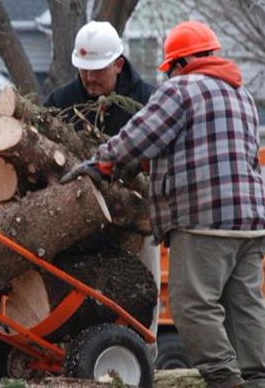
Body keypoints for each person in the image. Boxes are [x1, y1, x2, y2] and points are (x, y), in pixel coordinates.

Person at [73, 20, 265, 388]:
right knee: (246, 307)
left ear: (178, 63)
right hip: (251, 220)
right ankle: (257, 378)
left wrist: (101, 163)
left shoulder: (180, 89)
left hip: (204, 220)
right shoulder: (240, 95)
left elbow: (141, 134)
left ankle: (226, 380)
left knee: (193, 307)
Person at [45, 20, 161, 362]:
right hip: (78, 216)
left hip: (137, 213)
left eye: (97, 71)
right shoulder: (62, 102)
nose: (89, 79)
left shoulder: (147, 101)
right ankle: (71, 356)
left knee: (145, 279)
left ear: (119, 64)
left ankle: (143, 355)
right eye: (83, 71)